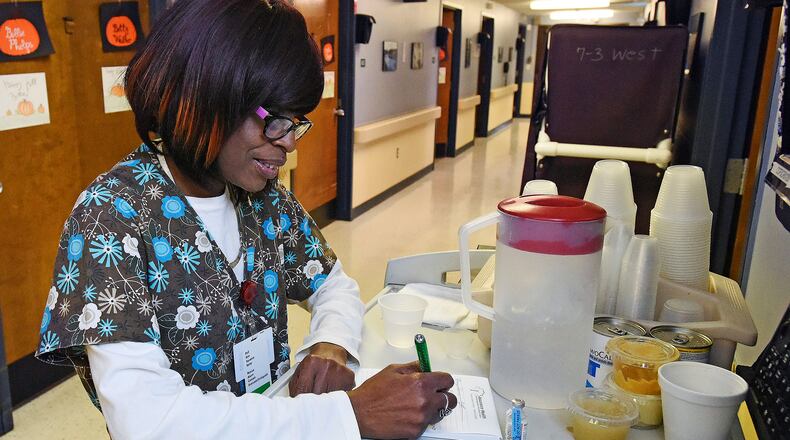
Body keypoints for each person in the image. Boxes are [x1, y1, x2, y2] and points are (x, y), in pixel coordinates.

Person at [35, 1, 456, 438]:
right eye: (275, 121)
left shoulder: (263, 200)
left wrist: (330, 344)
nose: (290, 142)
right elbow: (148, 422)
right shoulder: (112, 217)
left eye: (296, 123)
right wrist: (348, 416)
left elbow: (333, 284)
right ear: (204, 98)